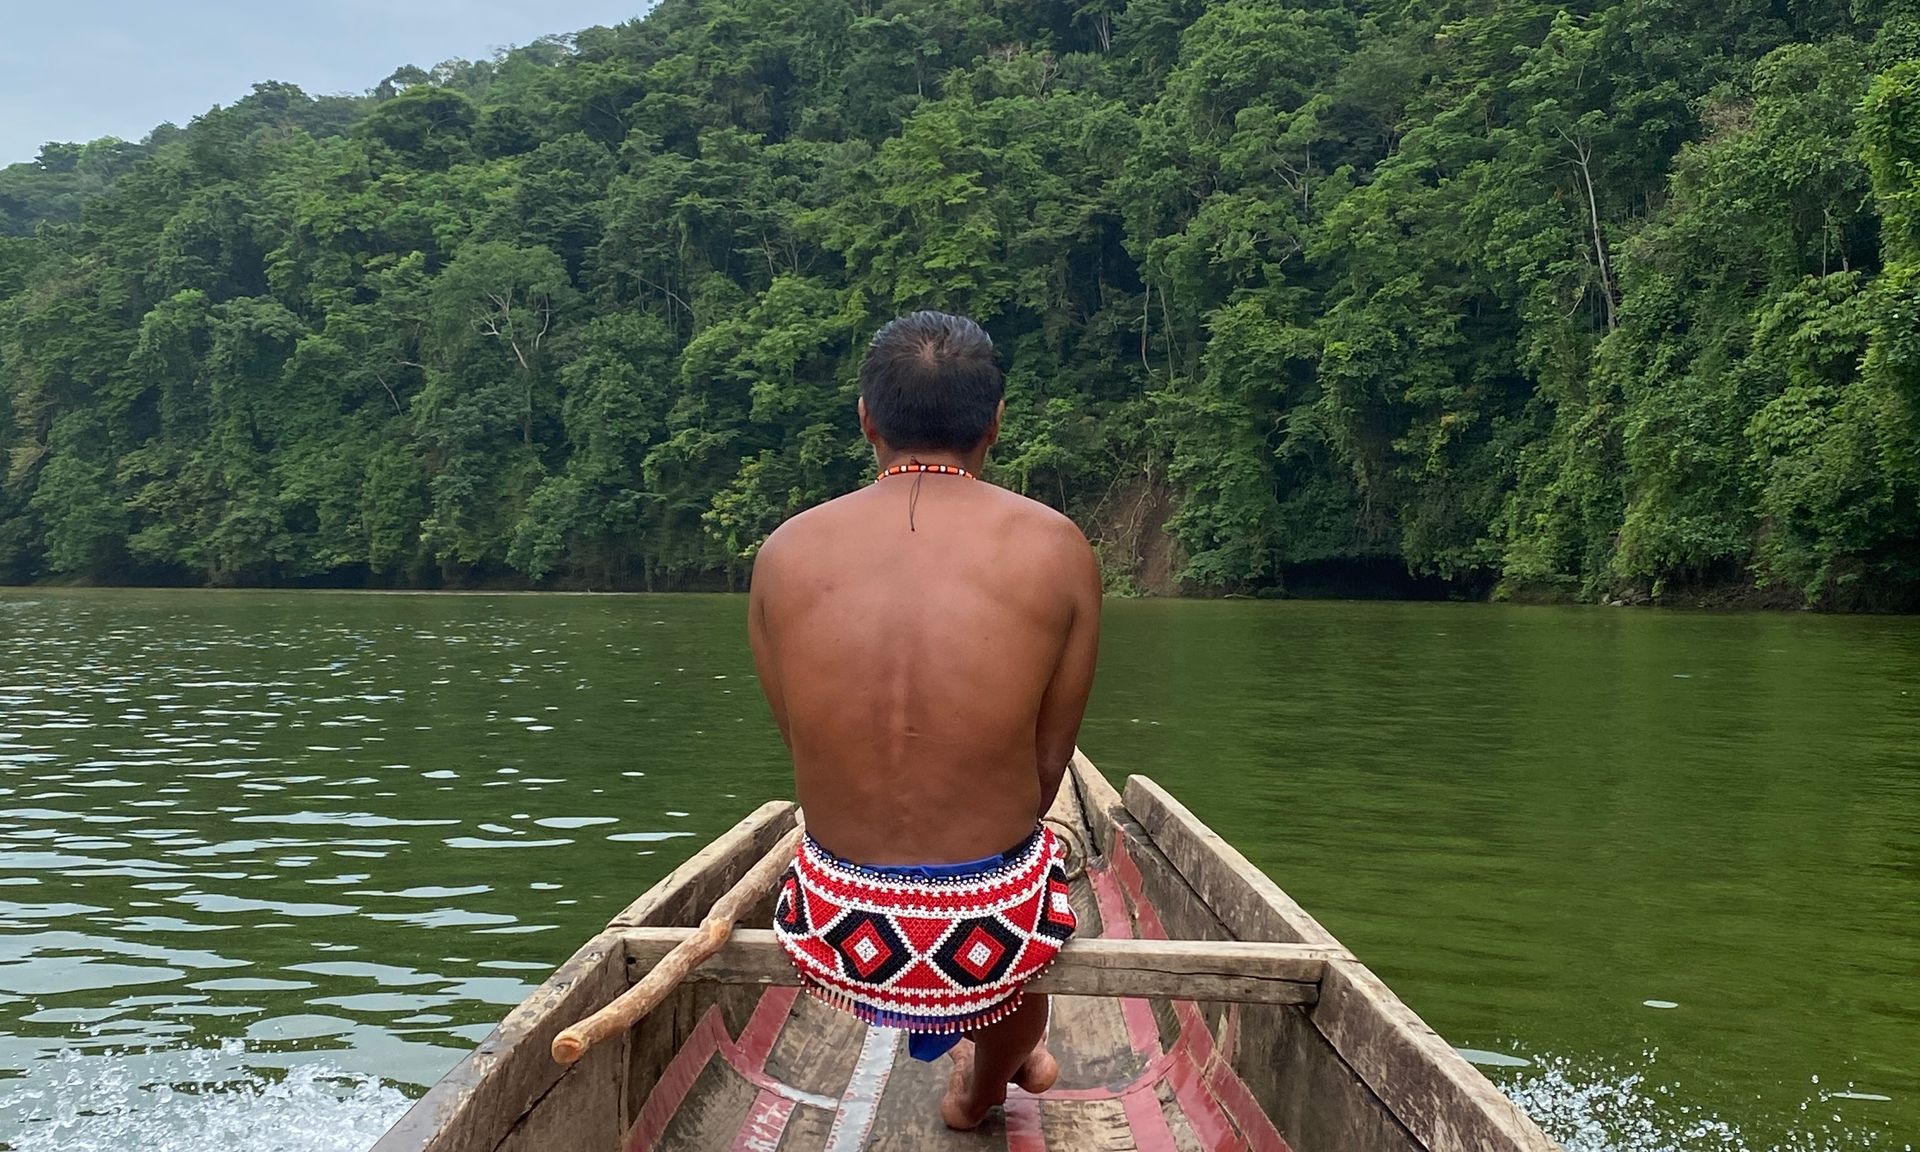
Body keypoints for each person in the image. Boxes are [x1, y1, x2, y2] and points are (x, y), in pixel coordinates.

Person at [748, 311, 1102, 1130]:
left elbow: (803, 742)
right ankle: (983, 1089)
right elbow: (1049, 771)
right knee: (1028, 884)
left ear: (867, 418)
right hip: (991, 927)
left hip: (836, 922)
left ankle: (1003, 1055)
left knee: (993, 887)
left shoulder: (784, 550)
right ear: (997, 422)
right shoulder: (1059, 546)